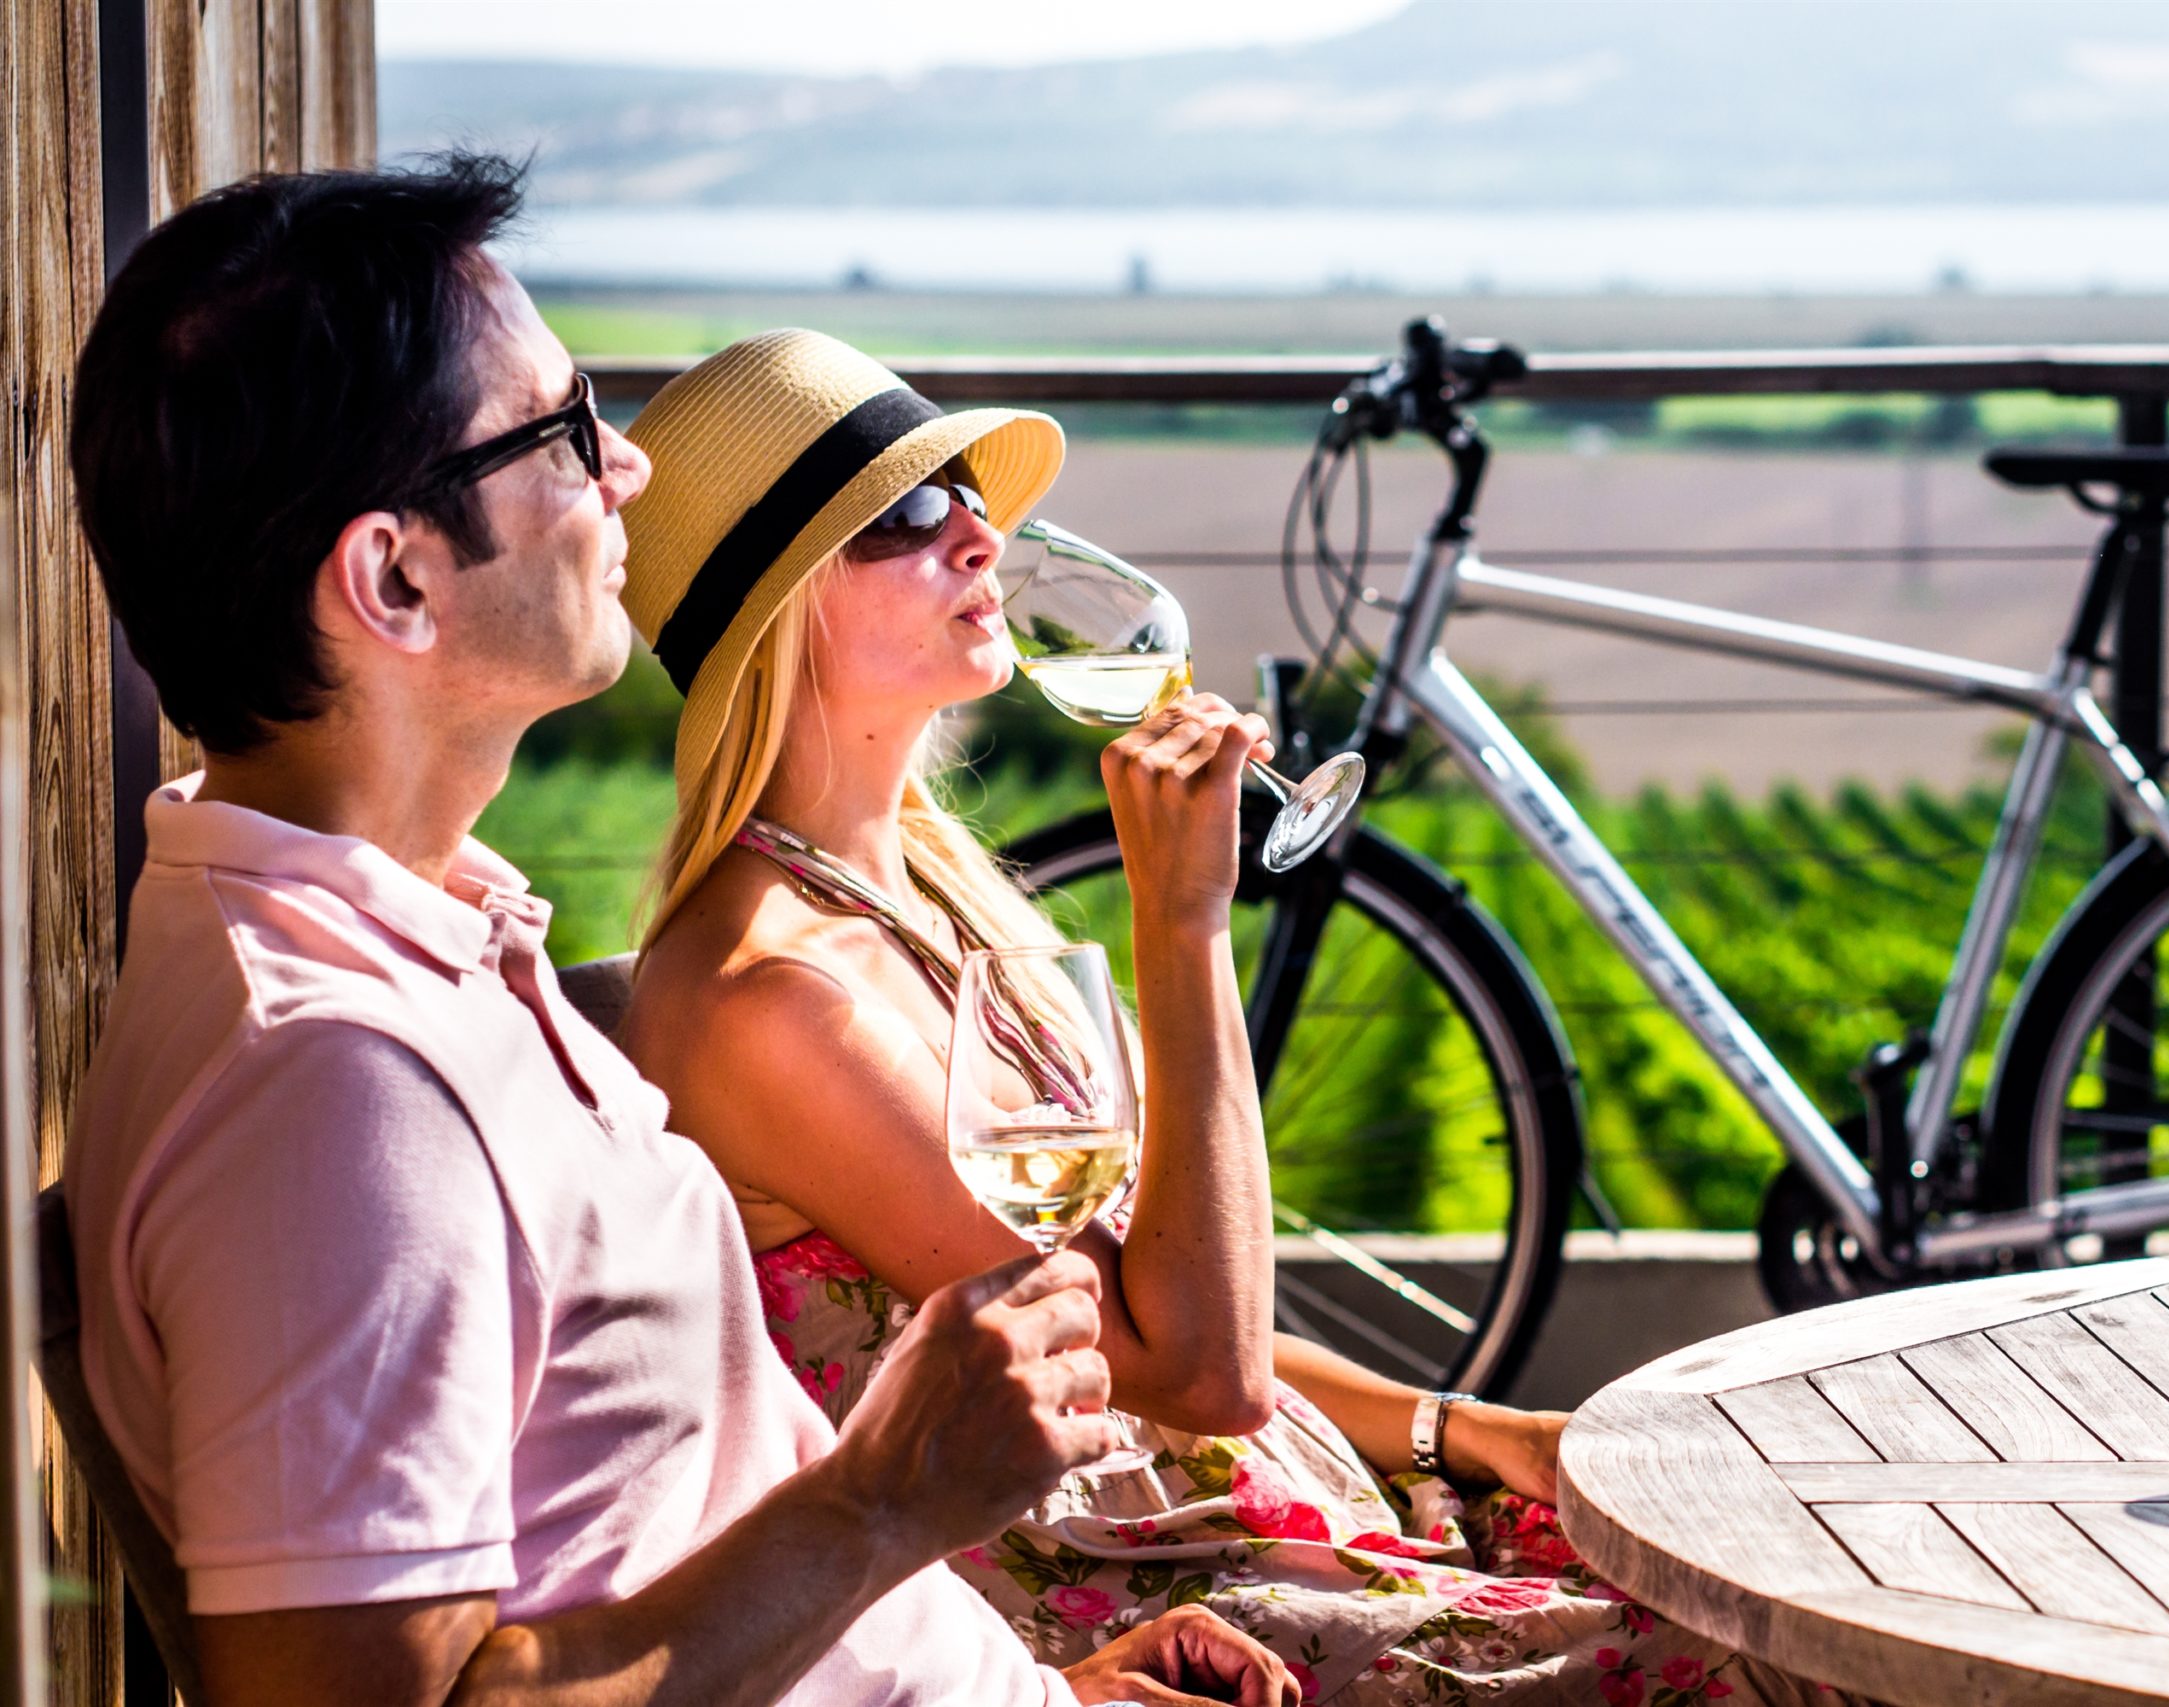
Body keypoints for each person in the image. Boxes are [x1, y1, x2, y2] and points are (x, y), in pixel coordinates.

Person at [62, 155, 1297, 1707]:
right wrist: (886, 1498)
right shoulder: (335, 1094)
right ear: (394, 576)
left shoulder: (428, 947)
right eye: (566, 436)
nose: (628, 475)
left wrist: (1057, 1686)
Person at [614, 331, 1857, 1707]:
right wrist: (1186, 923)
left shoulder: (936, 897)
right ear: (779, 606)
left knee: (1802, 1560)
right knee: (1785, 1662)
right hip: (1144, 1594)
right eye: (908, 515)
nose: (980, 534)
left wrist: (1458, 1429)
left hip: (1261, 1514)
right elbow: (1193, 1371)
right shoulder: (772, 997)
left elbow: (1147, 1319)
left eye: (967, 488)